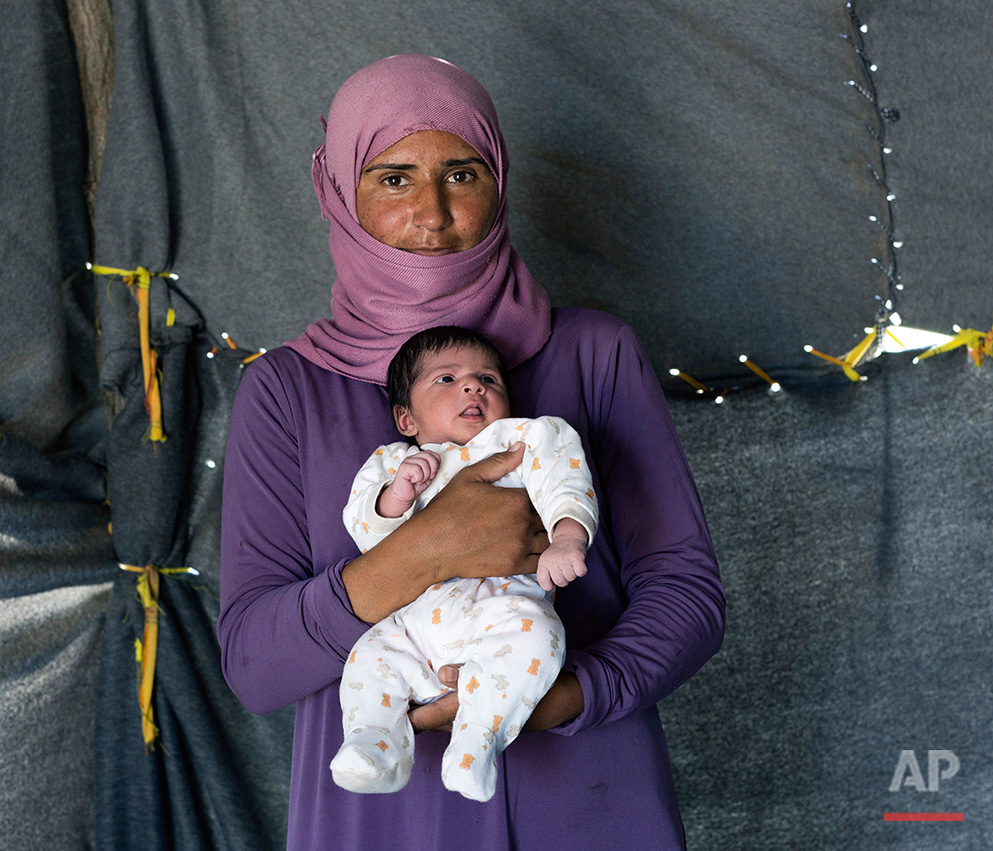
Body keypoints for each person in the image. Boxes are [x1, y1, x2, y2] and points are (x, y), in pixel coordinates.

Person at [218, 54, 725, 850]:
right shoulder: (286, 391)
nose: (432, 214)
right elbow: (254, 664)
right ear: (338, 192)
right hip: (382, 821)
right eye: (392, 179)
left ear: (499, 181)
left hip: (592, 802)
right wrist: (426, 546)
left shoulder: (591, 353)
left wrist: (564, 694)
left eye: (461, 173)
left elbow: (687, 594)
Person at [333, 326, 597, 803]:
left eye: (488, 379)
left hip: (503, 606)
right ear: (406, 417)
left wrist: (567, 537)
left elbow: (567, 482)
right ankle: (374, 743)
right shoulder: (393, 464)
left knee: (538, 635)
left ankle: (477, 743)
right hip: (414, 620)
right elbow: (369, 536)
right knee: (370, 658)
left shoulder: (523, 439)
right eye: (447, 379)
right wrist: (396, 497)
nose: (474, 387)